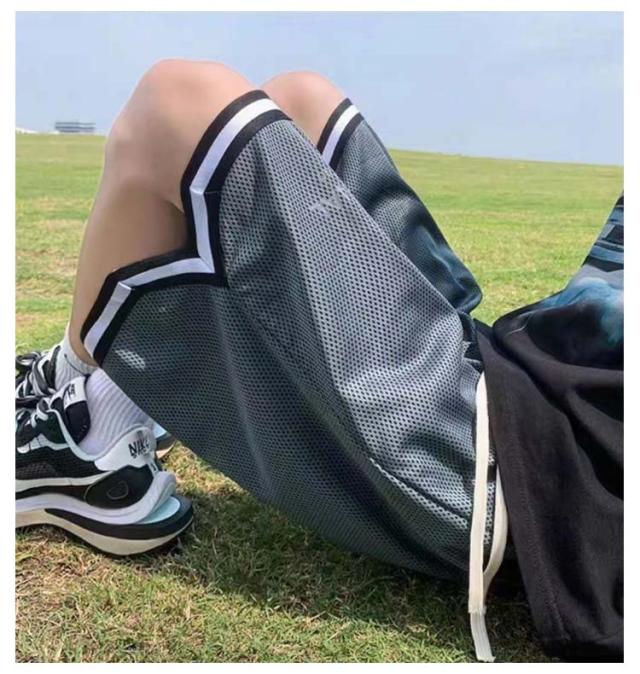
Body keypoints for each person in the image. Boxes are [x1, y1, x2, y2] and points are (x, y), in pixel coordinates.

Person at [15, 61, 622, 662]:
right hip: (512, 373)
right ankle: (98, 392)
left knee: (174, 102)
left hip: (517, 472)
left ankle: (85, 435)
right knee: (300, 99)